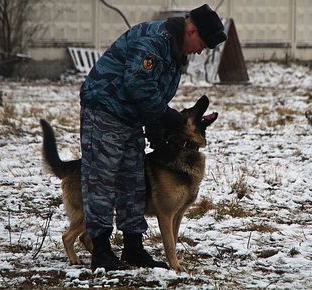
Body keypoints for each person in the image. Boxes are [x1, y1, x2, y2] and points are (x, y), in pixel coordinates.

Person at [79, 4, 227, 271]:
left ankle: (133, 249)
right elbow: (138, 83)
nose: (200, 50)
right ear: (192, 29)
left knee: (133, 183)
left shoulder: (175, 51)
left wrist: (158, 126)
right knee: (102, 180)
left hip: (132, 118)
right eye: (202, 43)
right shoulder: (155, 41)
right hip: (106, 110)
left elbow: (154, 93)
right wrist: (164, 116)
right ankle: (100, 250)